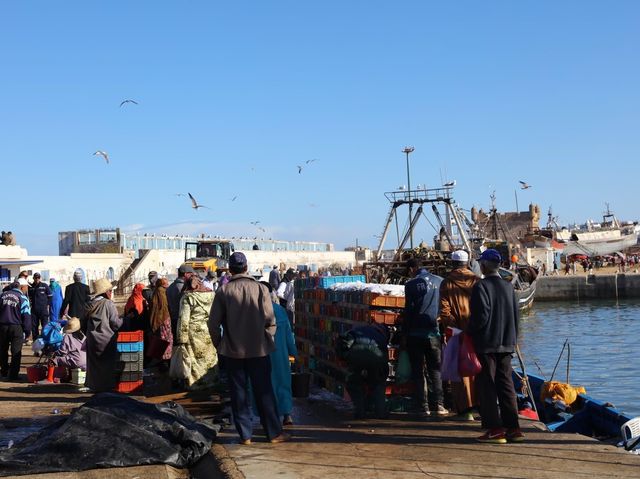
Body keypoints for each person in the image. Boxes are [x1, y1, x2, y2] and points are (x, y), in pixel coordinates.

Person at [209, 252, 289, 444]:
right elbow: (271, 320)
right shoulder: (261, 289)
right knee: (264, 391)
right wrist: (266, 338)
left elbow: (213, 324)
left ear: (230, 269)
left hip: (232, 351)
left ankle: (245, 435)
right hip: (259, 350)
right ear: (246, 268)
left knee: (238, 393)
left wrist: (220, 344)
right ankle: (273, 433)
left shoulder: (223, 291)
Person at [467, 249, 522, 444]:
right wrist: (513, 339)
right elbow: (517, 316)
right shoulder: (509, 287)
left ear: (483, 266)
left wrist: (469, 332)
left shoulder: (481, 287)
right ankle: (513, 428)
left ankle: (495, 428)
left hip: (487, 344)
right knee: (506, 384)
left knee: (487, 385)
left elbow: (481, 317)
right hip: (507, 343)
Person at [403, 257, 448, 416]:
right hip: (434, 333)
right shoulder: (440, 281)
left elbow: (408, 311)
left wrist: (404, 333)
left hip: (415, 333)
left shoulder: (410, 285)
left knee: (418, 370)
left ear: (411, 270)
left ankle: (423, 406)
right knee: (435, 369)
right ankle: (440, 405)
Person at [439, 250, 479, 421]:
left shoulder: (446, 283)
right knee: (477, 367)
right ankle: (480, 406)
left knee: (458, 370)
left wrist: (453, 328)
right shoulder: (477, 281)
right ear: (467, 262)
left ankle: (464, 410)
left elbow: (445, 311)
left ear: (453, 263)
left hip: (456, 334)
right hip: (477, 332)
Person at [260, 281, 297, 426]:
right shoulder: (280, 311)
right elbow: (289, 335)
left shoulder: (255, 311)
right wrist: (294, 352)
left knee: (264, 385)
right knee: (283, 383)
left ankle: (267, 416)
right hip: (280, 355)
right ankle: (287, 415)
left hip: (262, 354)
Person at [337, 323, 389, 420]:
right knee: (378, 385)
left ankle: (360, 412)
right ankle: (381, 413)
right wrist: (382, 376)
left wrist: (343, 357)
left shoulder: (358, 329)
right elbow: (385, 361)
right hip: (377, 359)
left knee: (354, 384)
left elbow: (343, 341)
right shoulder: (382, 337)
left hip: (356, 356)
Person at [176, 276, 218, 389]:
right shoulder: (211, 295)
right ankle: (211, 381)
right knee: (208, 357)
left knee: (194, 359)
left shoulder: (188, 297)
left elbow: (183, 319)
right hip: (207, 330)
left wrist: (181, 338)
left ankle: (196, 384)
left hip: (193, 332)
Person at [85, 278, 122, 392]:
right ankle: (106, 389)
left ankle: (95, 387)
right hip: (106, 341)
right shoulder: (108, 304)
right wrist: (125, 320)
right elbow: (115, 324)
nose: (111, 293)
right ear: (106, 292)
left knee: (95, 366)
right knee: (107, 366)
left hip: (92, 340)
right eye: (110, 290)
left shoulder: (89, 305)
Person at [0, 279, 31, 380]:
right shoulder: (22, 298)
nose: (27, 289)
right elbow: (26, 315)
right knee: (16, 352)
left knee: (2, 350)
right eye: (26, 287)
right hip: (16, 327)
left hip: (2, 326)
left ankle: (4, 372)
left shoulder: (2, 295)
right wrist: (27, 331)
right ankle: (13, 375)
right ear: (21, 287)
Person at [167, 264, 195, 342]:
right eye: (191, 274)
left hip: (173, 320)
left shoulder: (170, 287)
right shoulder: (184, 288)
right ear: (186, 274)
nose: (192, 277)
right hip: (182, 322)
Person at [148, 277, 173, 364]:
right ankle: (165, 359)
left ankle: (162, 359)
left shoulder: (156, 291)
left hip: (160, 319)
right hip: (165, 318)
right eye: (165, 283)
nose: (167, 285)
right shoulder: (162, 292)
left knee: (161, 338)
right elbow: (164, 307)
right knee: (165, 339)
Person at [28, 272, 52, 340]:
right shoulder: (31, 287)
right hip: (34, 310)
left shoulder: (45, 286)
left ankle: (44, 340)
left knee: (44, 326)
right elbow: (29, 297)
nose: (37, 279)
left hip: (43, 310)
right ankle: (36, 340)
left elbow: (50, 296)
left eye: (38, 278)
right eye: (35, 278)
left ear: (40, 278)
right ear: (33, 278)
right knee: (34, 326)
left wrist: (47, 305)